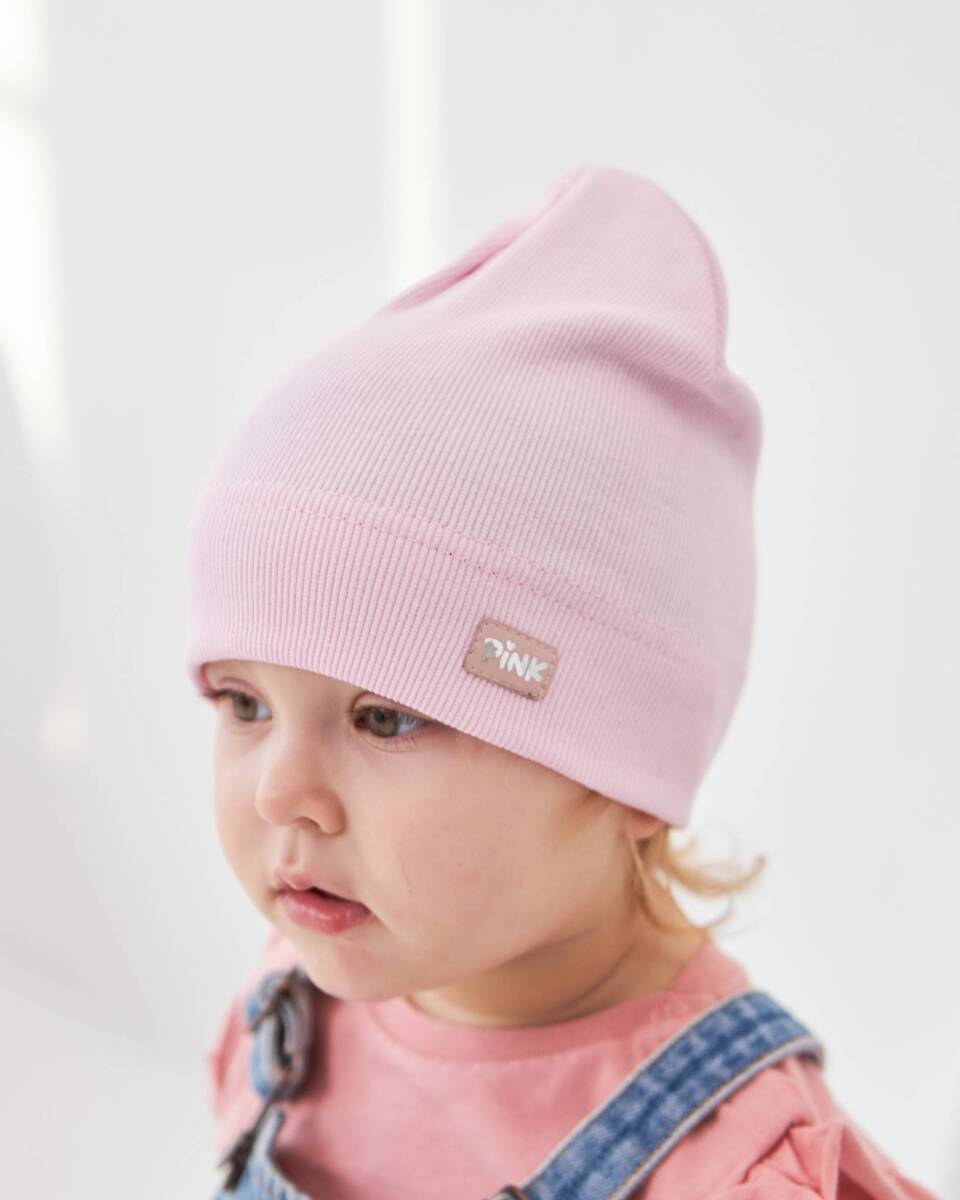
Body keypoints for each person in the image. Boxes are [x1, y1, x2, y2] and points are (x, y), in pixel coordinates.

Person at [184, 163, 939, 1200]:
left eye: (385, 717)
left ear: (628, 773)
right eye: (245, 704)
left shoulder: (738, 1172)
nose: (280, 792)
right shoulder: (289, 1014)